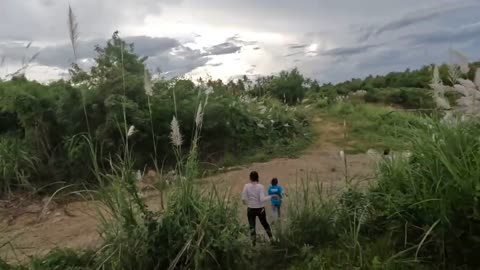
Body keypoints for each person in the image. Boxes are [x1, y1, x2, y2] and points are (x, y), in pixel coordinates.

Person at [242, 171, 277, 246]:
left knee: (252, 226)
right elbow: (262, 199)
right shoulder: (260, 186)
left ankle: (253, 244)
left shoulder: (246, 186)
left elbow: (244, 199)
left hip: (251, 209)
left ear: (250, 178)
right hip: (260, 209)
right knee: (265, 224)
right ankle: (271, 240)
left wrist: (247, 203)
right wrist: (272, 196)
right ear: (258, 178)